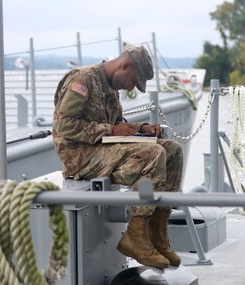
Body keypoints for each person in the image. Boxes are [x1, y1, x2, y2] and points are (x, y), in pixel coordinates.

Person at [52, 45, 183, 268]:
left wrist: (142, 128)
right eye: (133, 81)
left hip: (103, 150)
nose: (131, 87)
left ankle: (156, 236)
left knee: (172, 150)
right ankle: (135, 235)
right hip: (80, 157)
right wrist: (110, 130)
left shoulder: (111, 88)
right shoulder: (82, 81)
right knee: (154, 154)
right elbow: (63, 126)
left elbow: (117, 125)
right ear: (124, 66)